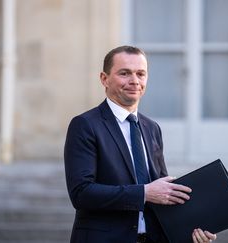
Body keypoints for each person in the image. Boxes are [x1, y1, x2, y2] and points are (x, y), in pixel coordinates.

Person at [64, 45, 217, 243]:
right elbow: (81, 193)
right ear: (104, 78)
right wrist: (144, 193)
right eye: (124, 73)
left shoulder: (152, 128)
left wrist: (193, 228)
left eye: (140, 74)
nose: (134, 81)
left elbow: (163, 194)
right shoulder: (85, 125)